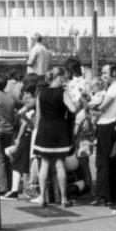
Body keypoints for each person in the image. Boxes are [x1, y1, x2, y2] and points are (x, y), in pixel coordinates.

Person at [32, 69, 75, 207]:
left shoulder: (41, 93)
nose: (64, 79)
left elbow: (38, 116)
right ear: (59, 77)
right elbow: (73, 109)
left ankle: (42, 198)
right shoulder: (63, 93)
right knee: (59, 164)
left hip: (44, 129)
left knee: (44, 164)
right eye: (63, 76)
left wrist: (37, 131)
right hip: (59, 130)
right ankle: (63, 198)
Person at [92, 63, 116, 207]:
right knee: (105, 162)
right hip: (107, 124)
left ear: (114, 72)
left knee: (104, 162)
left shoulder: (115, 87)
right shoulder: (112, 87)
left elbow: (102, 107)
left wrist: (88, 103)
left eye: (105, 72)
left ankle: (105, 195)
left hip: (108, 125)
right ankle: (107, 194)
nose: (103, 76)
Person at [0, 72, 21, 195]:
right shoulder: (11, 97)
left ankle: (2, 186)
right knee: (8, 158)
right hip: (10, 130)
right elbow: (22, 106)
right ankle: (11, 185)